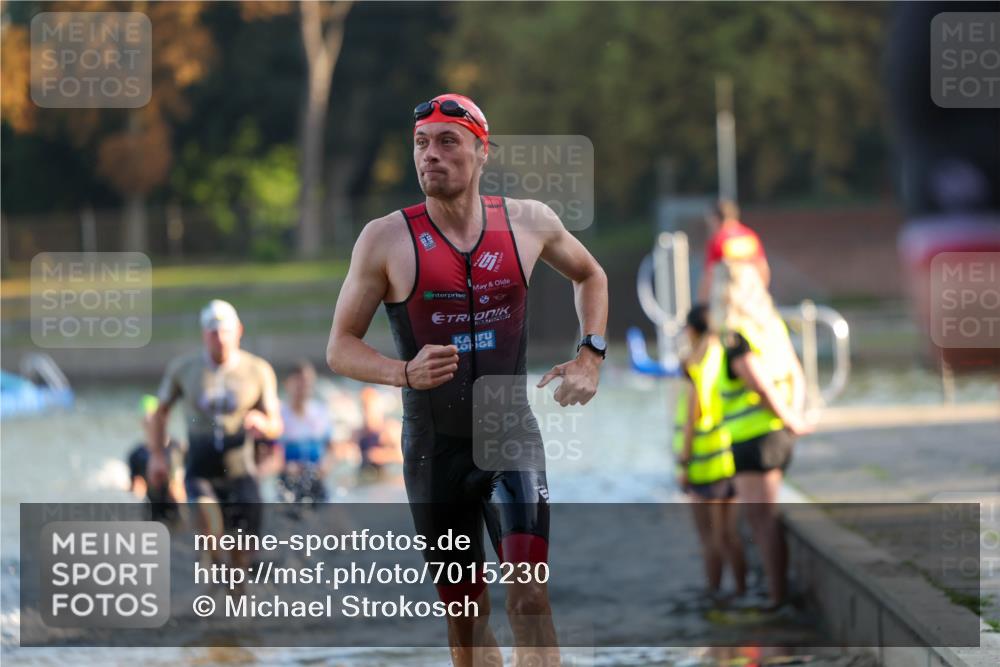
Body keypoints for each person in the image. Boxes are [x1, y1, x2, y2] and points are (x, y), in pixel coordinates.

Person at [326, 93, 608, 667]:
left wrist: (590, 356)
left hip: (509, 436)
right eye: (421, 144)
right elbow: (340, 348)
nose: (431, 155)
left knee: (529, 595)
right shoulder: (385, 239)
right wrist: (402, 372)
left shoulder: (528, 222)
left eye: (447, 143)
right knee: (467, 617)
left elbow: (591, 275)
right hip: (434, 451)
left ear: (482, 152)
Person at [147, 300, 283, 574]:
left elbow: (276, 423)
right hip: (201, 469)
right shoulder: (184, 369)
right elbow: (158, 413)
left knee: (241, 560)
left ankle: (234, 603)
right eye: (212, 332)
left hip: (241, 471)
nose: (219, 339)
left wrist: (263, 424)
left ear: (238, 331)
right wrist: (157, 456)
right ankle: (210, 585)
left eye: (225, 331)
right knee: (210, 526)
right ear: (203, 334)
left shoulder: (258, 370)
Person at [709, 261, 811, 610]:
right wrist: (792, 418)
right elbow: (796, 374)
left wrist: (788, 419)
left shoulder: (736, 334)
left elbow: (760, 384)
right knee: (767, 516)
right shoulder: (771, 327)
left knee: (761, 520)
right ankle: (776, 590)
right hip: (776, 435)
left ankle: (776, 596)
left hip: (754, 440)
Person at [673, 305, 746, 604]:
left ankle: (714, 595)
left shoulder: (696, 364)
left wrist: (683, 462)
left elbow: (694, 414)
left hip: (703, 464)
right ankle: (742, 590)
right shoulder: (723, 354)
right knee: (729, 535)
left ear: (691, 330)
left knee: (710, 538)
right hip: (728, 455)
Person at [266, 360, 337, 503]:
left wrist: (326, 465)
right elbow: (271, 453)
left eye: (307, 382)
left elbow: (332, 448)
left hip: (316, 476)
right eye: (298, 382)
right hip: (288, 479)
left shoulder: (320, 411)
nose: (303, 387)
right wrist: (285, 466)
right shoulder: (278, 415)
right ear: (287, 384)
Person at [126, 394, 186, 523]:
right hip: (151, 515)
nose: (151, 425)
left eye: (154, 420)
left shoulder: (179, 449)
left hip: (178, 512)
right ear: (142, 422)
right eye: (147, 420)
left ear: (164, 420)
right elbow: (136, 489)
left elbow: (183, 489)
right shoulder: (136, 455)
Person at [697, 199, 770, 302]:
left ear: (715, 219)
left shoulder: (718, 240)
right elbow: (763, 268)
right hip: (751, 296)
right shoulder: (749, 236)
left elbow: (709, 276)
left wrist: (702, 303)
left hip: (728, 300)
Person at [352, 386, 402, 482]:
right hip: (365, 478)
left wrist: (381, 455)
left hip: (388, 480)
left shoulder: (390, 430)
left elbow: (405, 457)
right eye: (364, 409)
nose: (368, 413)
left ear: (379, 408)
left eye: (370, 408)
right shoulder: (358, 433)